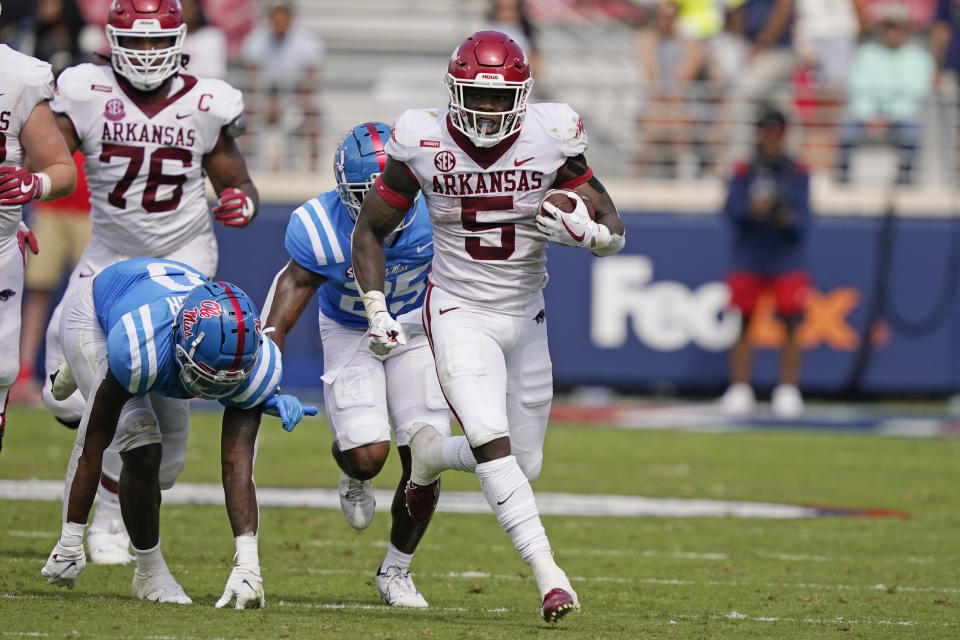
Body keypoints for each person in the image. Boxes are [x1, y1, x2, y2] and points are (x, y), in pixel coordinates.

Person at [350, 31, 626, 624]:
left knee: (520, 465)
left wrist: (593, 238)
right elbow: (370, 228)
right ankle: (550, 577)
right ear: (454, 91)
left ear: (524, 98)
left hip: (527, 314)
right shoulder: (422, 139)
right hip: (456, 309)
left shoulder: (552, 135)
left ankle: (426, 456)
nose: (490, 111)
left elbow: (614, 225)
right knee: (490, 439)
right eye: (477, 96)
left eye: (502, 100)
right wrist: (375, 305)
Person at [40, 0, 260, 567]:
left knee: (154, 420)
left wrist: (244, 201)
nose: (143, 55)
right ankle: (78, 373)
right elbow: (48, 154)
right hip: (109, 256)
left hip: (180, 262)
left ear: (180, 40)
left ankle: (112, 513)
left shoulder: (204, 101)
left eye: (154, 42)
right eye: (132, 44)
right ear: (111, 40)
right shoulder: (86, 89)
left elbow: (237, 180)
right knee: (64, 402)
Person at [40, 257, 315, 605]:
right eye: (206, 377)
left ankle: (84, 373)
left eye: (227, 383)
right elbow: (91, 443)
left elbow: (237, 467)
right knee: (142, 444)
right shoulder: (140, 347)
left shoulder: (252, 361)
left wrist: (249, 566)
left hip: (159, 337)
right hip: (98, 315)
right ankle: (150, 573)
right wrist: (69, 538)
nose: (213, 392)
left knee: (167, 469)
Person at [261, 122, 449, 608]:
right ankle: (352, 472)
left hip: (414, 330)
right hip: (349, 329)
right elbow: (289, 294)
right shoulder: (320, 226)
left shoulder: (438, 212)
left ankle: (396, 570)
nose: (379, 205)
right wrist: (264, 369)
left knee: (426, 459)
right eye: (364, 195)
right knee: (369, 455)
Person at [0, 33, 78, 452]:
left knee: (0, 372)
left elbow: (60, 169)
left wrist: (33, 186)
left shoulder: (19, 75)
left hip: (0, 248)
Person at [719, 107, 811, 418]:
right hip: (751, 254)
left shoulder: (795, 171)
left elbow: (804, 219)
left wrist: (781, 214)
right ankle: (741, 387)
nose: (770, 139)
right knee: (743, 322)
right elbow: (730, 210)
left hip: (785, 257)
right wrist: (753, 209)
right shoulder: (745, 170)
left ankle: (788, 388)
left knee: (790, 324)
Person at [12, 151, 91, 407]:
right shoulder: (50, 109)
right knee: (37, 291)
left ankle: (95, 379)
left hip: (95, 210)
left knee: (95, 296)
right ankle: (22, 377)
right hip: (50, 206)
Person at [835, 2, 934, 184]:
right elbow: (858, 90)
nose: (893, 31)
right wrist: (869, 116)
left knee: (912, 134)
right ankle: (843, 182)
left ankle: (905, 183)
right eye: (889, 25)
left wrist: (889, 118)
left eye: (898, 26)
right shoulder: (865, 54)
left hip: (900, 120)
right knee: (846, 130)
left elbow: (915, 97)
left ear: (907, 28)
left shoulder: (921, 59)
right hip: (866, 119)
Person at [241, 0, 323, 171]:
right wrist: (269, 101)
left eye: (282, 16)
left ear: (290, 17)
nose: (279, 21)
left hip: (297, 94)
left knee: (313, 113)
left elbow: (310, 80)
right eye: (275, 16)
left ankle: (314, 167)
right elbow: (253, 80)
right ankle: (245, 163)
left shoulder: (306, 39)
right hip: (266, 95)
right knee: (244, 114)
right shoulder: (257, 38)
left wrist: (295, 101)